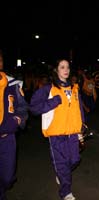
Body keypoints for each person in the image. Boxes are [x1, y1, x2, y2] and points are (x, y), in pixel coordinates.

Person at [30, 59, 85, 200]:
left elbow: (79, 110)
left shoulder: (74, 88)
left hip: (73, 132)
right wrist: (53, 101)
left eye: (67, 67)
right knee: (62, 163)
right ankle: (65, 192)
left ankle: (62, 173)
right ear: (56, 70)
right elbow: (34, 108)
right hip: (56, 133)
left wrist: (81, 128)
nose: (65, 70)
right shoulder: (48, 89)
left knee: (75, 160)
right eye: (62, 67)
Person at [0, 50, 28, 200]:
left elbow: (22, 108)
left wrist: (17, 120)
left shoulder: (13, 84)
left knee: (7, 177)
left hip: (7, 138)